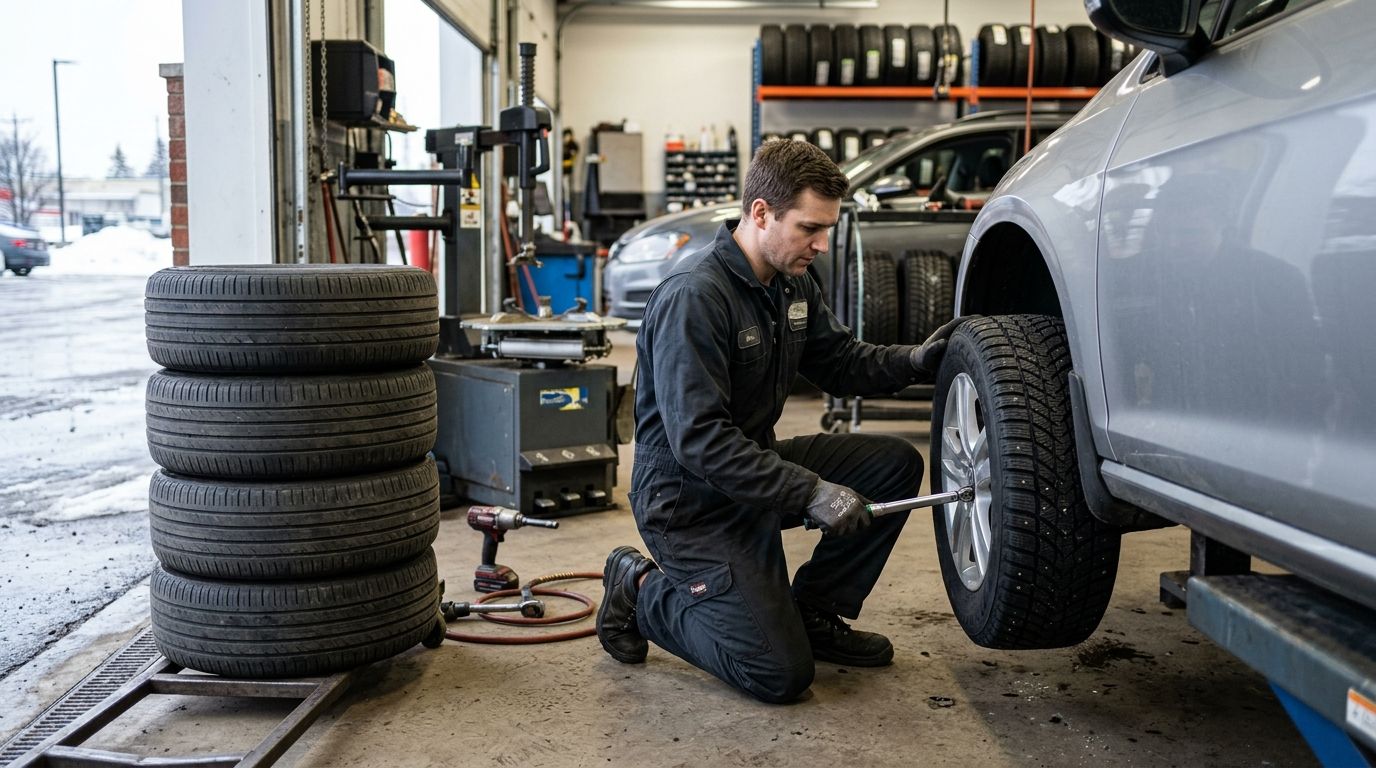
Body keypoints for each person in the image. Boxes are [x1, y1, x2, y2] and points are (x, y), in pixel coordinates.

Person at [595, 139, 961, 704]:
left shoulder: (791, 283)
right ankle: (638, 587)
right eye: (809, 228)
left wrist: (914, 361)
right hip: (688, 503)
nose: (821, 245)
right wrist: (809, 492)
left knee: (892, 464)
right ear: (761, 213)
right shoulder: (695, 297)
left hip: (751, 472)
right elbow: (701, 441)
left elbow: (840, 361)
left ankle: (815, 612)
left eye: (826, 229)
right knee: (777, 674)